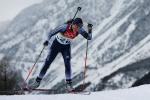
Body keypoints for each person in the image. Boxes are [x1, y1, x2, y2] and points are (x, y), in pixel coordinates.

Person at [30, 18, 92, 91]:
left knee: (67, 64)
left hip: (66, 47)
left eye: (79, 27)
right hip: (56, 45)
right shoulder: (64, 27)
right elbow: (51, 33)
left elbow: (89, 37)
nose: (77, 29)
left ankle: (69, 85)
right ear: (73, 24)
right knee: (47, 62)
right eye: (77, 26)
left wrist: (90, 30)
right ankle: (37, 82)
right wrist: (47, 40)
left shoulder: (80, 30)